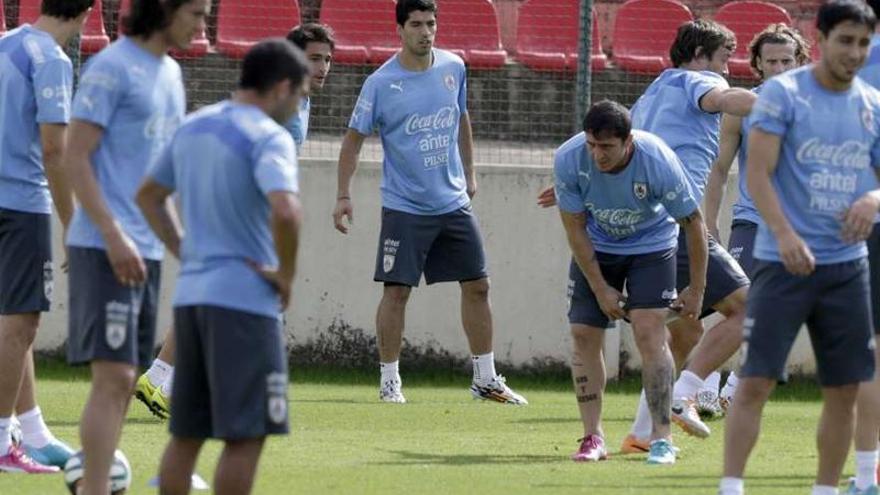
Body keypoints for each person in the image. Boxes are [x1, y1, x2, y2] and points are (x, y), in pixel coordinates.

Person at [133, 21, 337, 421]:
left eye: (328, 59)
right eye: (314, 58)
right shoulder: (279, 116)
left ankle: (160, 376)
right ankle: (188, 388)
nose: (324, 67)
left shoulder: (297, 103)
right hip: (246, 222)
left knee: (204, 300)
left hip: (234, 218)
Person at [720, 2, 880, 494]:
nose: (854, 52)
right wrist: (785, 234)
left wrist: (873, 197)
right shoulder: (783, 95)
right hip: (780, 262)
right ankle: (731, 487)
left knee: (844, 389)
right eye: (845, 40)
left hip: (848, 267)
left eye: (863, 43)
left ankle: (827, 490)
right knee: (755, 382)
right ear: (821, 36)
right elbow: (757, 173)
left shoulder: (871, 104)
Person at [332, 0, 526, 405]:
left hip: (453, 202)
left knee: (478, 285)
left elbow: (461, 118)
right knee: (397, 291)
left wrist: (470, 173)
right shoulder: (381, 83)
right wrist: (344, 195)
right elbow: (353, 140)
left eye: (431, 24)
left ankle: (485, 379)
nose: (426, 32)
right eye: (417, 24)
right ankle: (389, 382)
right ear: (400, 29)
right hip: (405, 207)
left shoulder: (453, 68)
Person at [138, 38, 309, 495]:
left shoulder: (194, 126)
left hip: (192, 300)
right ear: (282, 88)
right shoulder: (269, 136)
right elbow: (288, 211)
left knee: (186, 433)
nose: (299, 109)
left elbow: (149, 196)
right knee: (247, 433)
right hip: (245, 303)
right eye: (300, 96)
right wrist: (286, 275)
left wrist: (184, 250)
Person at [63, 0, 208, 492]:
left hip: (143, 251)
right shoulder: (111, 67)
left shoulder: (170, 75)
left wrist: (187, 252)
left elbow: (154, 185)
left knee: (126, 381)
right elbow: (74, 156)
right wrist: (111, 233)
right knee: (115, 378)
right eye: (197, 13)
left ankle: (93, 482)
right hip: (104, 248)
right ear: (165, 11)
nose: (203, 25)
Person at [620, 18, 758, 449]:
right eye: (723, 59)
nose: (727, 69)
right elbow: (723, 97)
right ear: (700, 55)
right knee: (750, 310)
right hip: (674, 223)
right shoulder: (695, 80)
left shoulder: (652, 92)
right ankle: (684, 395)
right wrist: (783, 100)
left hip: (643, 224)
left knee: (687, 331)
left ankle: (643, 431)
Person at [555, 100, 707, 465]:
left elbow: (694, 223)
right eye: (592, 144)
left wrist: (698, 289)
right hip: (598, 249)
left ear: (628, 142)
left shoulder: (657, 160)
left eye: (606, 147)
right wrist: (599, 287)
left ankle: (660, 440)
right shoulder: (568, 158)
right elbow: (574, 227)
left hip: (652, 247)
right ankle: (593, 438)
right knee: (583, 333)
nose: (597, 155)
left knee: (648, 329)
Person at [0, 0, 93, 473]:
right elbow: (55, 149)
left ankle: (31, 431)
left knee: (15, 317)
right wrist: (73, 221)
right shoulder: (52, 60)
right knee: (21, 322)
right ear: (87, 13)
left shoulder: (6, 44)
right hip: (20, 203)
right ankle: (1, 443)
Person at [702, 23, 812, 413]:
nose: (780, 67)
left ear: (801, 61)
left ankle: (731, 386)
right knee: (736, 305)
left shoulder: (820, 107)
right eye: (772, 61)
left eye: (787, 60)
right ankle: (703, 382)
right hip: (751, 221)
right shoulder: (742, 106)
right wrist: (709, 221)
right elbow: (718, 168)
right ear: (758, 65)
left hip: (800, 229)